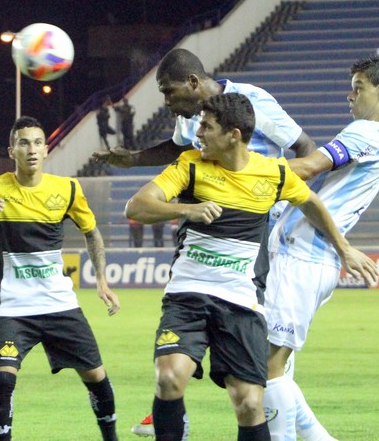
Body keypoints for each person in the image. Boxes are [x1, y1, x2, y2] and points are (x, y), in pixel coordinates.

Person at [93, 48, 334, 439]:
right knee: (244, 366)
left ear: (193, 82)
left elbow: (305, 148)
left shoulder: (253, 103)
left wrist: (279, 212)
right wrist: (135, 159)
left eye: (169, 93)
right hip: (211, 238)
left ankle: (287, 424)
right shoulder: (194, 126)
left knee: (264, 366)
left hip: (258, 237)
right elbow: (178, 152)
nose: (167, 103)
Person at [125, 93, 378, 441]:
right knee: (169, 377)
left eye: (207, 126)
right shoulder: (191, 165)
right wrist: (187, 210)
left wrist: (344, 248)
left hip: (241, 303)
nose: (198, 133)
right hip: (188, 296)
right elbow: (136, 207)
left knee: (248, 402)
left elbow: (312, 204)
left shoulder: (272, 173)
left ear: (234, 134)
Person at [0, 116, 120, 441]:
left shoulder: (67, 189)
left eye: (38, 142)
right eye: (23, 143)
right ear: (12, 150)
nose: (32, 149)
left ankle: (111, 437)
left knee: (97, 378)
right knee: (3, 382)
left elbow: (92, 234)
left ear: (46, 149)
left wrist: (102, 282)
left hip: (59, 305)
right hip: (12, 307)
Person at [262, 55, 379, 441]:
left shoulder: (368, 133)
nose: (350, 96)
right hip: (308, 257)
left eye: (358, 87)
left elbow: (309, 168)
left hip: (303, 257)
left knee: (267, 366)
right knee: (277, 365)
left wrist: (241, 172)